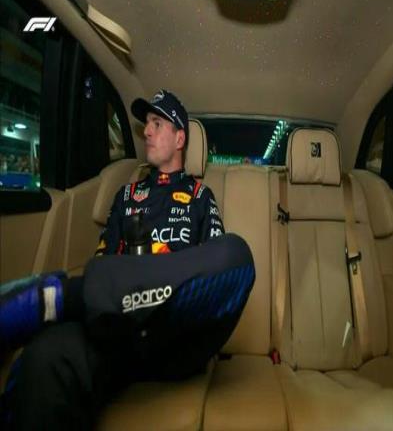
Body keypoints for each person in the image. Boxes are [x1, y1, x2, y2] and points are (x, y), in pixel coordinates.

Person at [0, 90, 255, 430]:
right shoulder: (126, 196)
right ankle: (56, 301)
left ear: (180, 138)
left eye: (157, 123)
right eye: (146, 124)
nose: (146, 131)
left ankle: (53, 299)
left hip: (174, 331)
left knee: (236, 253)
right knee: (43, 355)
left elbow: (213, 269)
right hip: (116, 332)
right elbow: (103, 262)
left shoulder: (200, 197)